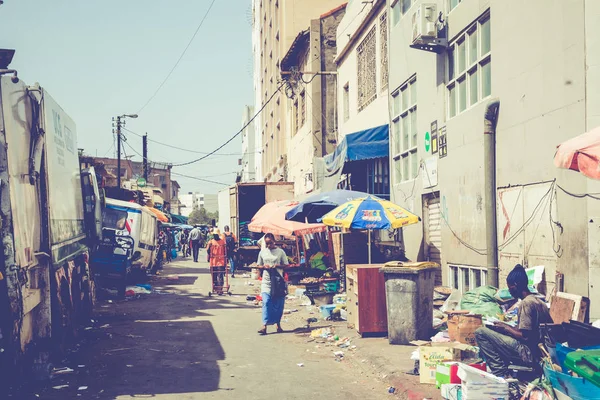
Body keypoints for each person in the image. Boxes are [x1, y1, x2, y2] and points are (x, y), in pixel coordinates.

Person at [474, 264, 553, 377]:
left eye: (510, 288)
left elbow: (526, 336)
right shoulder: (540, 302)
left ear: (516, 286)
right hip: (540, 351)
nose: (510, 292)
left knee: (480, 332)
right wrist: (504, 327)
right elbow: (530, 330)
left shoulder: (526, 304)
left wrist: (506, 328)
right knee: (496, 332)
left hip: (528, 353)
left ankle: (500, 373)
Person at [257, 233, 288, 335]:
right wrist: (263, 267)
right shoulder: (262, 252)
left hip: (278, 282)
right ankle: (264, 325)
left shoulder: (280, 252)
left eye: (270, 243)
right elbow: (258, 265)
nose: (268, 245)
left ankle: (278, 324)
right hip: (266, 281)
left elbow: (286, 265)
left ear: (274, 241)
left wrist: (277, 265)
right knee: (266, 302)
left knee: (278, 304)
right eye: (266, 244)